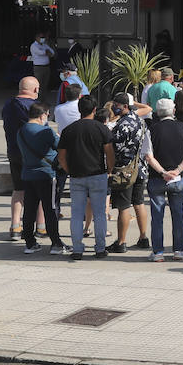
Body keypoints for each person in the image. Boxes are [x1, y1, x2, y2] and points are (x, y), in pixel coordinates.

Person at [56, 95, 115, 260]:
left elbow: (61, 156)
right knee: (100, 213)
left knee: (76, 213)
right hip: (98, 174)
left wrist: (69, 170)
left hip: (77, 175)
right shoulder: (102, 129)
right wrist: (109, 170)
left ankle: (77, 249)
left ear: (79, 109)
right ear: (95, 110)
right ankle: (100, 248)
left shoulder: (69, 130)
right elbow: (109, 153)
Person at [144, 97, 183, 262]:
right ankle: (178, 250)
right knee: (178, 214)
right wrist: (178, 170)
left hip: (157, 179)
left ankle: (158, 252)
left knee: (157, 216)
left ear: (157, 113)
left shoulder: (151, 130)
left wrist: (162, 172)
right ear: (173, 111)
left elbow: (149, 157)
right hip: (178, 178)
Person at [17, 104, 64, 255]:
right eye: (48, 115)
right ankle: (56, 243)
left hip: (28, 174)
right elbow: (60, 147)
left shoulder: (21, 131)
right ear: (42, 115)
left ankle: (30, 243)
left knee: (29, 209)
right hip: (46, 175)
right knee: (50, 209)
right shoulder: (46, 131)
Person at [108, 95, 151, 253]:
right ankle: (143, 237)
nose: (114, 107)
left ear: (125, 105)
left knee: (123, 207)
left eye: (116, 104)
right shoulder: (138, 119)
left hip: (124, 171)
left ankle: (121, 242)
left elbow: (115, 150)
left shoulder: (121, 125)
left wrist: (110, 169)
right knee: (139, 203)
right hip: (140, 167)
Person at [1, 77, 38, 241]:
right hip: (32, 155)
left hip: (13, 152)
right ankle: (41, 228)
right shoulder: (34, 107)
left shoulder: (8, 105)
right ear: (35, 90)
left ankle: (15, 226)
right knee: (40, 191)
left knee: (18, 190)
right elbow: (37, 131)